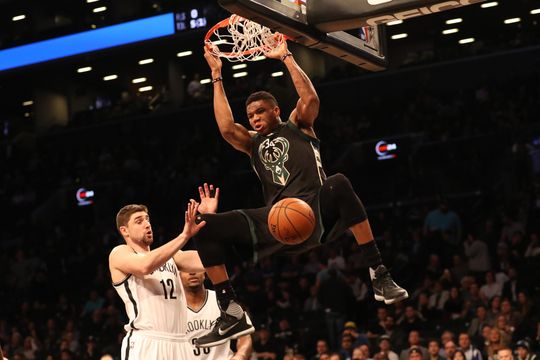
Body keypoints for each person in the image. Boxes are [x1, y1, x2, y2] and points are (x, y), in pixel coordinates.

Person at [194, 38, 408, 347]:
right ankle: (230, 310)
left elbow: (310, 99)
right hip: (277, 221)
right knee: (204, 225)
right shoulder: (252, 143)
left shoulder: (298, 125)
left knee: (338, 182)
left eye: (259, 112)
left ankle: (379, 273)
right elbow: (227, 128)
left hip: (316, 209)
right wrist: (217, 75)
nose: (253, 118)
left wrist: (287, 58)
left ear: (276, 110)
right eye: (250, 114)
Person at [108, 197, 207, 359]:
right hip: (147, 343)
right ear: (124, 230)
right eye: (139, 221)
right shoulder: (120, 253)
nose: (147, 224)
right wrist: (184, 236)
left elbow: (210, 260)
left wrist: (209, 219)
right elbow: (144, 266)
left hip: (181, 343)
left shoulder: (172, 257)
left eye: (147, 219)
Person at [180, 270, 253, 359]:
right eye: (185, 270)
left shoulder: (222, 300)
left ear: (204, 271)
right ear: (178, 274)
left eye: (196, 268)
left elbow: (245, 336)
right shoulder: (172, 307)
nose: (192, 273)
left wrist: (240, 356)